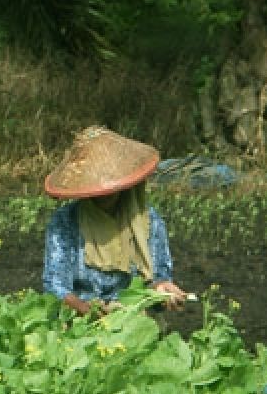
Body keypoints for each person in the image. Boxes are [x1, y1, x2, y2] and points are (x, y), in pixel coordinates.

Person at [42, 126, 189, 316]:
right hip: (80, 325)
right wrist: (89, 311)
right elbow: (55, 287)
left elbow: (157, 279)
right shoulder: (66, 221)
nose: (103, 195)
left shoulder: (147, 221)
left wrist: (162, 290)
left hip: (132, 324)